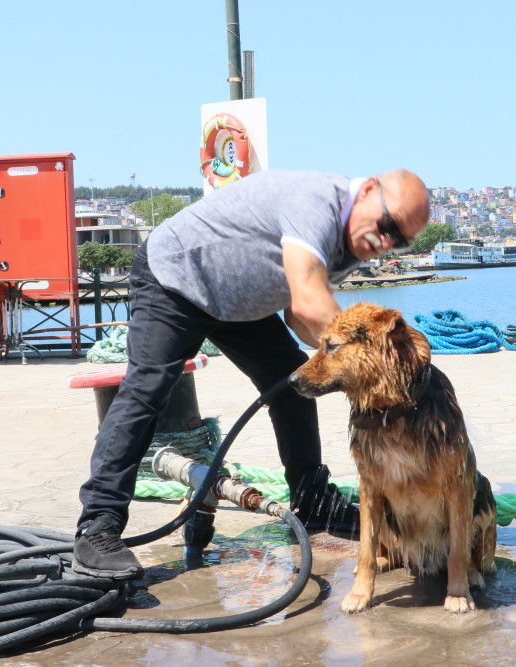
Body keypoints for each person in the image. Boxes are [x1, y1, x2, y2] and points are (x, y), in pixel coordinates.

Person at [74, 168, 430, 579]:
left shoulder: (351, 245)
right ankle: (97, 527)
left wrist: (341, 364)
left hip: (233, 305)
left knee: (292, 380)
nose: (385, 243)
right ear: (368, 189)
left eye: (398, 241)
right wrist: (377, 365)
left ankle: (312, 501)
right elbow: (312, 303)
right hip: (174, 277)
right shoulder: (316, 202)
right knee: (148, 390)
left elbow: (299, 317)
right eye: (387, 226)